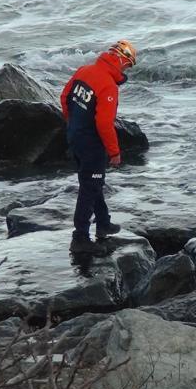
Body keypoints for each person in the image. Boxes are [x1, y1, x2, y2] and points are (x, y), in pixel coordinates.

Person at [60, 40, 137, 255]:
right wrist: (114, 152)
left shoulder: (84, 71)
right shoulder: (108, 85)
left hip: (74, 136)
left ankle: (103, 223)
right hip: (92, 143)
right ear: (122, 60)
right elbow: (104, 123)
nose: (126, 70)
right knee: (90, 187)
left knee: (93, 181)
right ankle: (80, 237)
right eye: (128, 65)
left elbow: (64, 98)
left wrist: (73, 124)